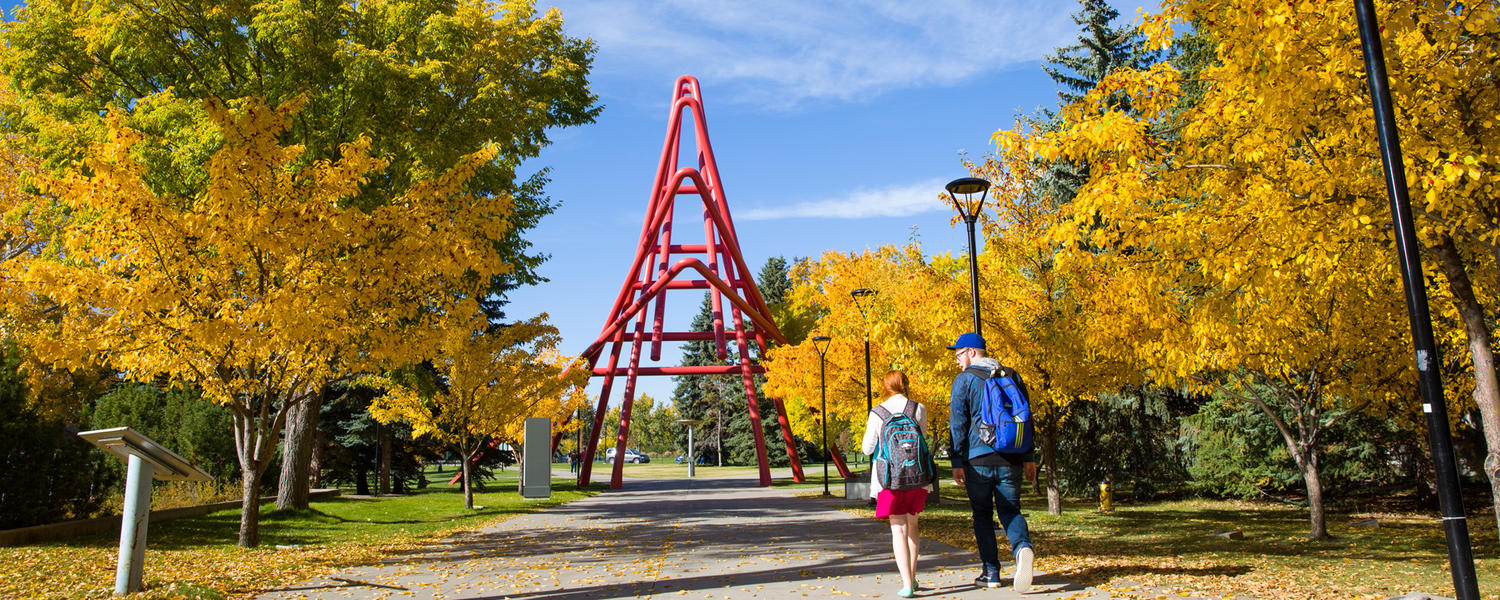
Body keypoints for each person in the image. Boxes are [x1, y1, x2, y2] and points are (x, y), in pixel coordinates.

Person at [947, 332, 1037, 592]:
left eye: (959, 354)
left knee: (983, 515)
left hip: (978, 460)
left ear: (972, 353)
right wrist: (1028, 457)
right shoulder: (1012, 375)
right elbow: (1026, 418)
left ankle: (991, 572)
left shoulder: (964, 380)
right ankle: (1022, 548)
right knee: (1011, 510)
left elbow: (958, 423)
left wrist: (956, 461)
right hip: (1011, 457)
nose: (957, 360)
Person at [862, 370, 933, 599]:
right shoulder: (917, 408)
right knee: (913, 526)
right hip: (917, 476)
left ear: (887, 386)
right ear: (906, 384)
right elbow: (921, 437)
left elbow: (867, 448)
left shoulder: (878, 412)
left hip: (890, 478)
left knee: (898, 529)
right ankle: (911, 576)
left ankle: (907, 585)